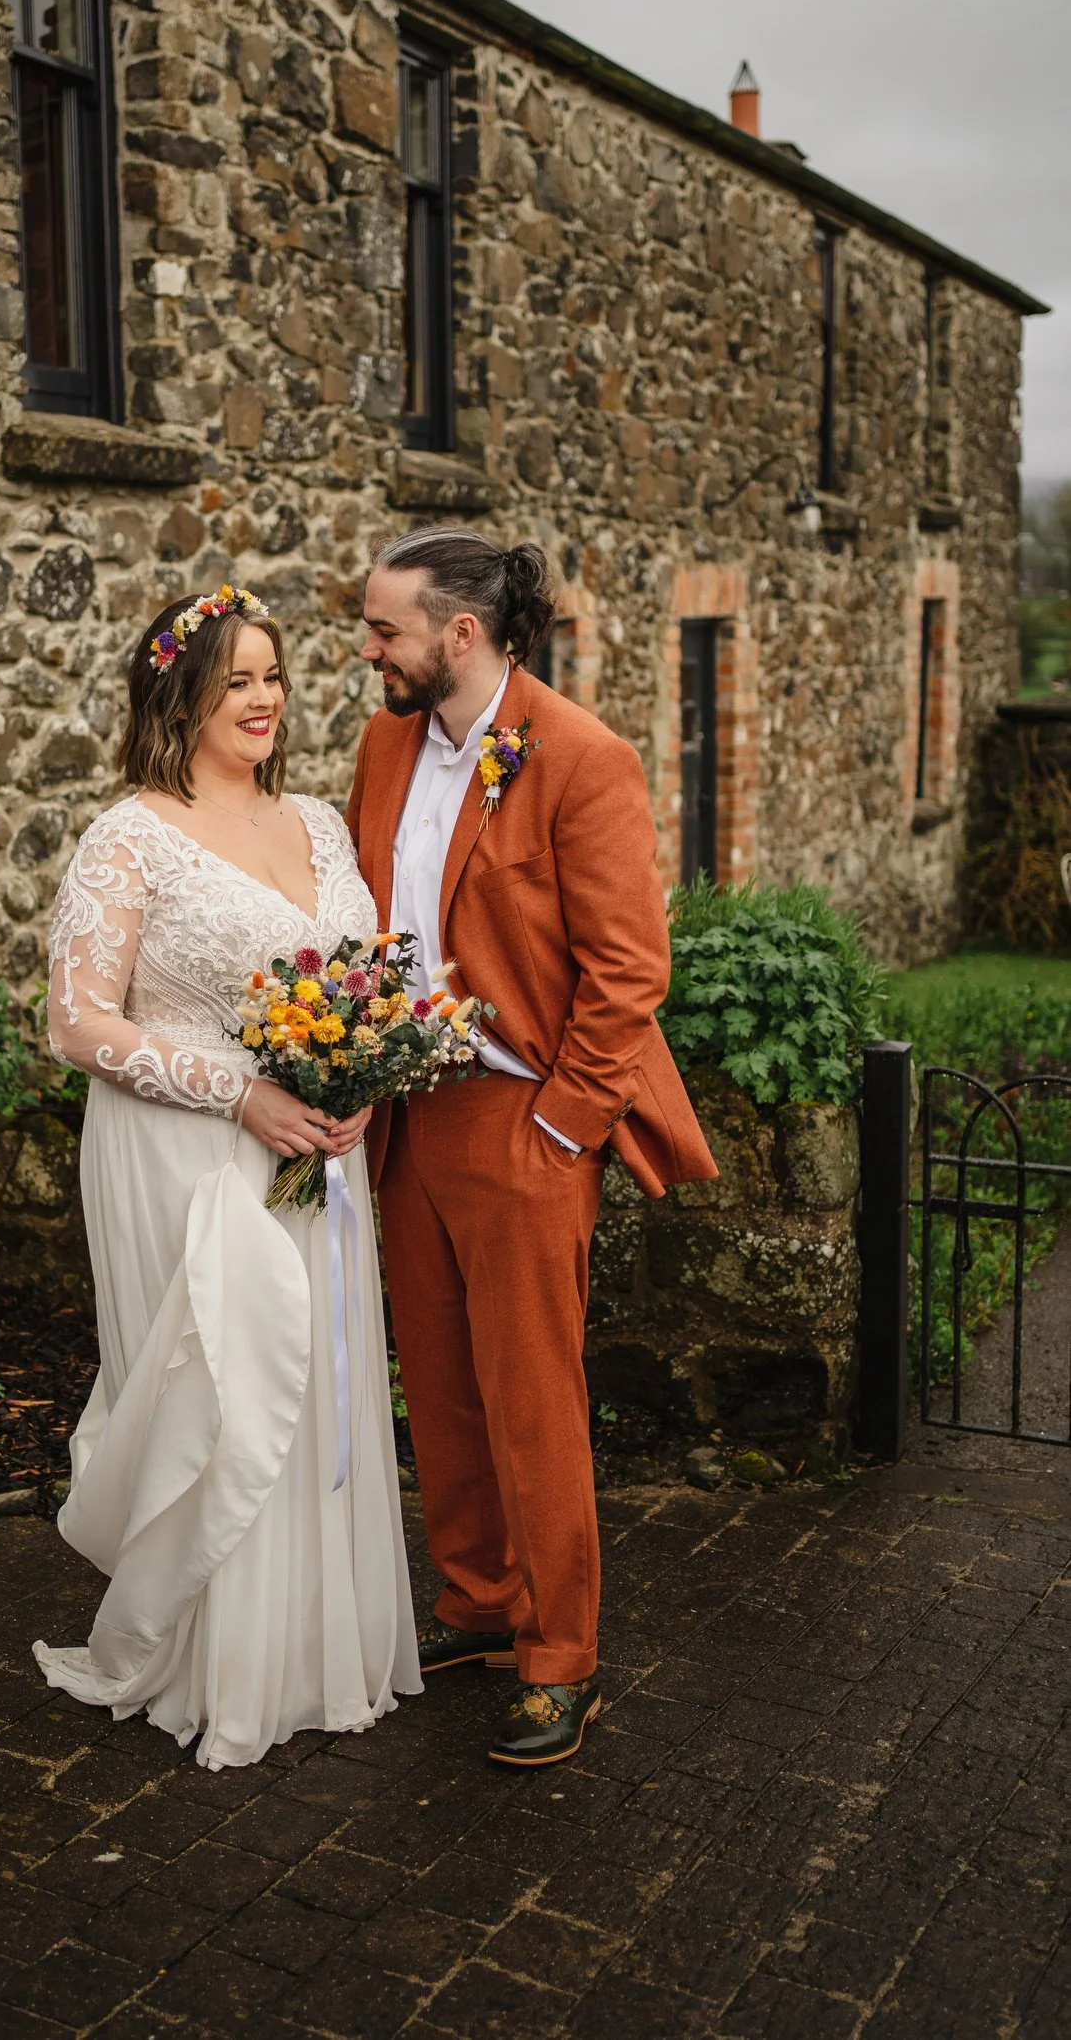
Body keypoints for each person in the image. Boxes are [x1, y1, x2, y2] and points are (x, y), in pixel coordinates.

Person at [346, 528, 717, 1768]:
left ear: (462, 632)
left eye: (385, 628)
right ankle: (478, 1604)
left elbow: (629, 973)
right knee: (440, 1387)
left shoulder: (580, 759)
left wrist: (560, 1129)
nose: (368, 649)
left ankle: (562, 1656)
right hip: (404, 1117)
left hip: (522, 1122)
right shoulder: (387, 740)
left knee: (532, 1398)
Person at [32, 583, 420, 1769]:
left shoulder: (315, 820)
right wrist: (239, 1091)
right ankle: (210, 1659)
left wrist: (359, 1078)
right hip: (187, 1150)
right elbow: (76, 1025)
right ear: (180, 694)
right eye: (234, 679)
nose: (262, 699)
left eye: (272, 675)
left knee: (310, 1392)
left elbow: (358, 980)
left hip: (315, 1152)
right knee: (223, 1394)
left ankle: (310, 1650)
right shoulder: (131, 835)